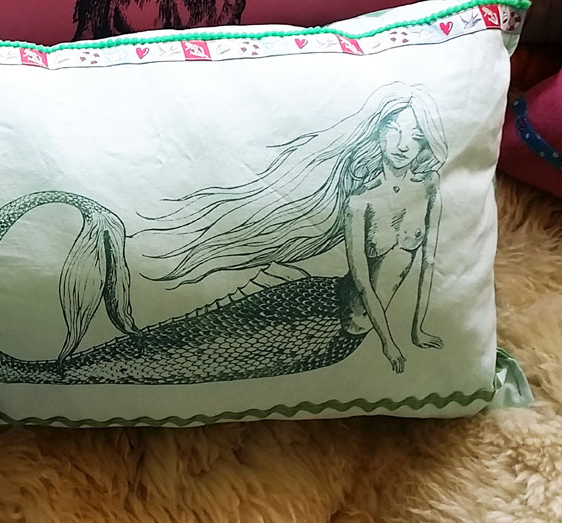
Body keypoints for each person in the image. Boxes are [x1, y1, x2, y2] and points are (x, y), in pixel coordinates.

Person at [138, 81, 449, 373]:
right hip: (320, 318)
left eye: (416, 135)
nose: (403, 145)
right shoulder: (359, 201)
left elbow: (430, 261)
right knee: (175, 355)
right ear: (378, 132)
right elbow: (363, 283)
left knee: (184, 359)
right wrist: (388, 343)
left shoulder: (429, 185)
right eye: (393, 130)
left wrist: (417, 329)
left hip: (343, 334)